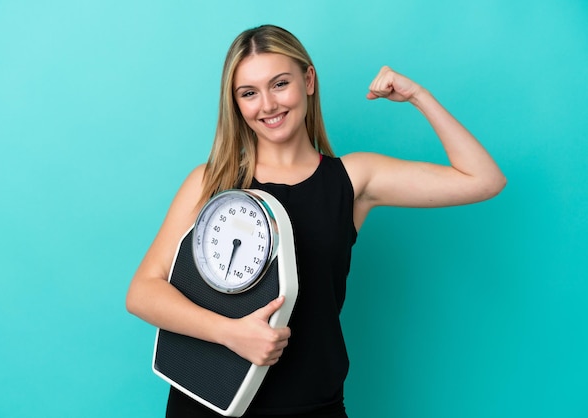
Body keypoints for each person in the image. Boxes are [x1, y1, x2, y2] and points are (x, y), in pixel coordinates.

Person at [126, 24, 506, 418]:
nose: (268, 105)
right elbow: (142, 292)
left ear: (308, 80)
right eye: (249, 93)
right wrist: (231, 334)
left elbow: (484, 180)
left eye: (280, 84)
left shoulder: (353, 180)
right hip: (207, 402)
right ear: (236, 103)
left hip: (311, 405)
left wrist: (418, 97)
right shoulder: (211, 182)